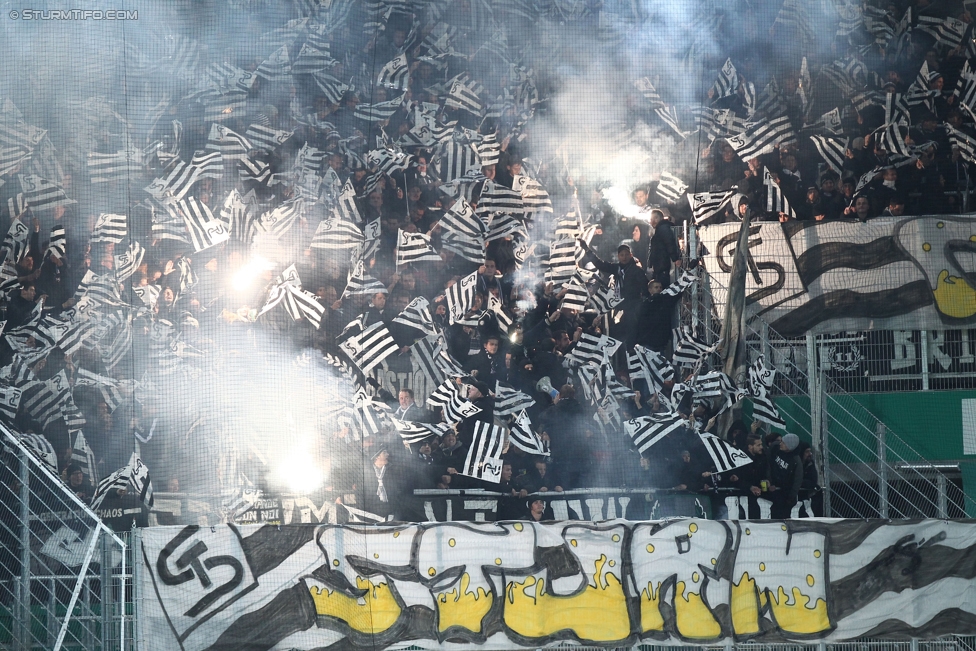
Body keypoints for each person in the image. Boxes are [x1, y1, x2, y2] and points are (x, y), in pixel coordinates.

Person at [767, 433, 802, 519]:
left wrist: (790, 497)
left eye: (783, 442)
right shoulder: (775, 448)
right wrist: (769, 481)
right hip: (773, 489)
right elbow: (768, 463)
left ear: (789, 446)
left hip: (785, 495)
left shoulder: (795, 461)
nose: (780, 443)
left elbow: (797, 480)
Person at [647, 209, 681, 287]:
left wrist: (675, 258)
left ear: (661, 218)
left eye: (655, 218)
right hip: (660, 268)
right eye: (651, 219)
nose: (653, 221)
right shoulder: (659, 229)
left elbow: (670, 243)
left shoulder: (663, 228)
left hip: (663, 268)